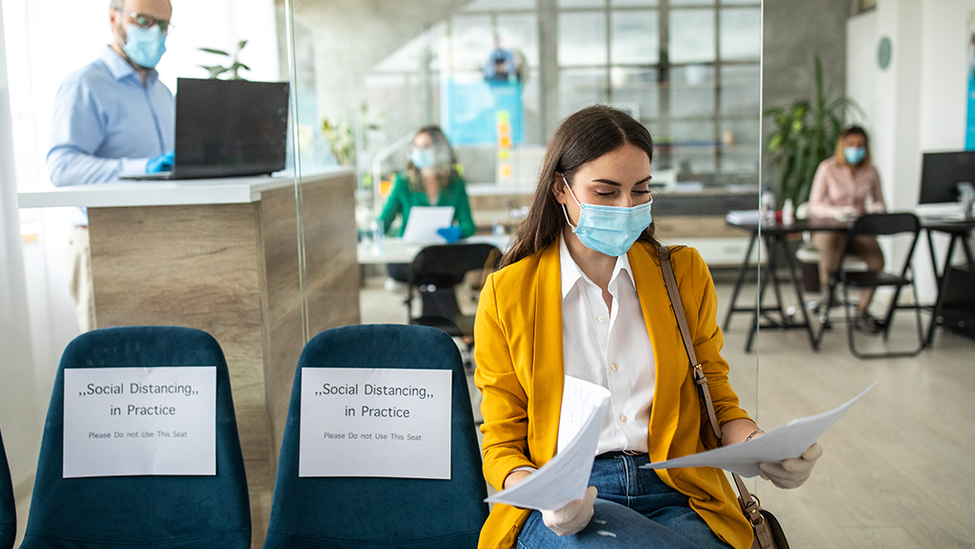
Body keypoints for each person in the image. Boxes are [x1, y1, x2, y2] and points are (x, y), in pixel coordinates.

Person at [474, 106, 822, 549]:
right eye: (606, 192)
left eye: (640, 190)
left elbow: (715, 401)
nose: (627, 206)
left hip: (677, 489)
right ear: (561, 188)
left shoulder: (681, 274)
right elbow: (501, 442)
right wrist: (548, 495)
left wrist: (765, 446)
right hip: (568, 497)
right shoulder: (508, 294)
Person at [47, 0, 177, 332]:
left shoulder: (163, 92)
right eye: (144, 20)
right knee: (110, 368)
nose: (156, 33)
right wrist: (141, 168)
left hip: (163, 242)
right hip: (103, 246)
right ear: (113, 18)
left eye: (164, 26)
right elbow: (62, 167)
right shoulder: (85, 85)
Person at [808, 125, 887, 333]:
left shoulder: (871, 171)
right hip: (830, 228)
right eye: (851, 144)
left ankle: (862, 311)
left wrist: (876, 209)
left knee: (877, 259)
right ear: (842, 145)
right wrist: (836, 212)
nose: (855, 149)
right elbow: (814, 205)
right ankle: (828, 296)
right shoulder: (828, 168)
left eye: (860, 145)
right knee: (834, 243)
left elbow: (880, 202)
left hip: (858, 229)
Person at [378, 125, 475, 242]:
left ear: (440, 149)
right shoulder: (403, 182)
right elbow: (383, 222)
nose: (419, 152)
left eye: (425, 146)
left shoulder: (456, 184)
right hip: (407, 254)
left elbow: (469, 225)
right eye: (416, 147)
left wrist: (459, 232)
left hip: (441, 252)